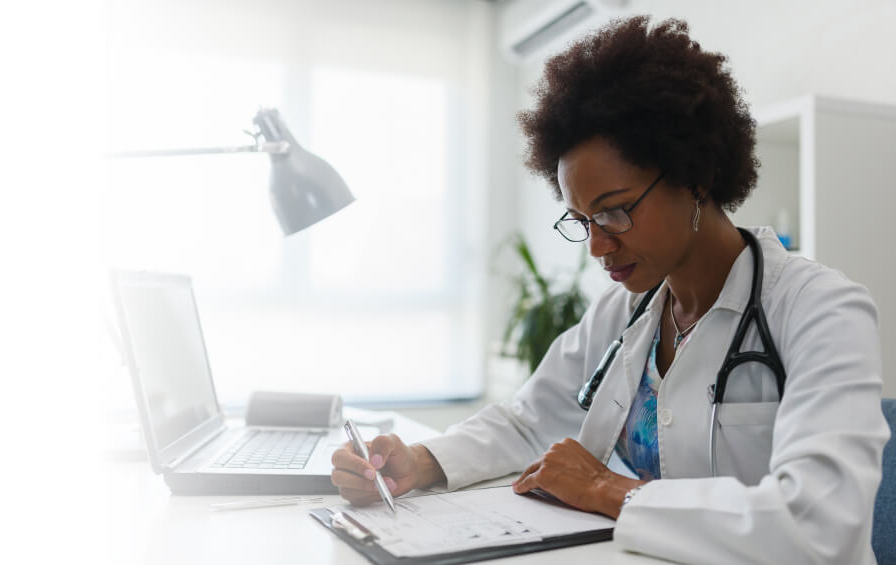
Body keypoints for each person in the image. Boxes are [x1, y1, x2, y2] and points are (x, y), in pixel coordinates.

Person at [331, 16, 889, 565]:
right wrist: (421, 461)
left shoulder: (820, 310)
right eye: (583, 220)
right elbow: (530, 419)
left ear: (695, 177)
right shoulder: (627, 311)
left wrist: (609, 491)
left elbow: (820, 523)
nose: (598, 247)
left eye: (616, 212)